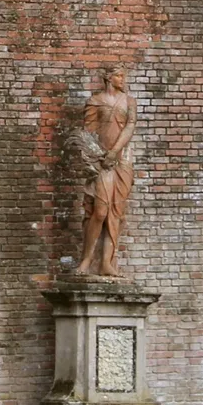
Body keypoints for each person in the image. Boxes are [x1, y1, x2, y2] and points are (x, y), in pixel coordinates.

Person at [75, 67, 135, 278]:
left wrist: (114, 152)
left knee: (116, 212)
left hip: (122, 160)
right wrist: (99, 156)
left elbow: (129, 128)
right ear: (108, 78)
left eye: (123, 75)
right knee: (99, 211)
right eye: (119, 75)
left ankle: (107, 263)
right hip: (101, 162)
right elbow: (88, 133)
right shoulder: (95, 101)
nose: (122, 79)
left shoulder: (129, 101)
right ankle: (86, 260)